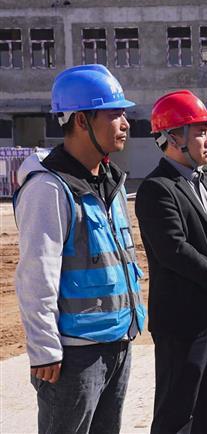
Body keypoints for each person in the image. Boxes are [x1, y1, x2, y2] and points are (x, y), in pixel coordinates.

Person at [13, 64, 146, 434]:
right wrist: (44, 349)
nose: (125, 123)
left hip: (117, 339)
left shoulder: (111, 183)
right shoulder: (49, 188)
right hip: (74, 355)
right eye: (114, 114)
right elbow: (36, 274)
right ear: (82, 120)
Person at [135, 90, 207, 434]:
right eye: (200, 132)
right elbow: (175, 250)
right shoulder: (157, 189)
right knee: (177, 411)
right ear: (173, 138)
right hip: (183, 322)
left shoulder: (203, 182)